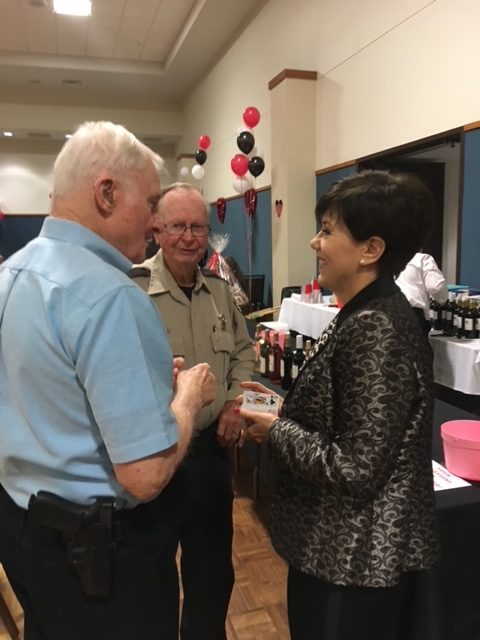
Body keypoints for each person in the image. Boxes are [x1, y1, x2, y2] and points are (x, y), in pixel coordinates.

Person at [0, 122, 217, 640]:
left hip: (24, 529)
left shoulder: (14, 272)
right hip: (98, 561)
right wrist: (187, 398)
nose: (155, 221)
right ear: (106, 193)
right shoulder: (110, 295)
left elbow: (48, 390)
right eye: (151, 203)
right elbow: (145, 474)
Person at [237, 170, 441, 640]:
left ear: (371, 249)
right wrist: (285, 410)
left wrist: (276, 430)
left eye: (327, 231)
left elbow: (355, 467)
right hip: (340, 550)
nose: (315, 242)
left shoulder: (377, 327)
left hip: (355, 558)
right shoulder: (363, 310)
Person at [130, 182, 255, 640]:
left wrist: (235, 403)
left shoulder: (220, 291)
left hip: (209, 457)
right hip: (154, 458)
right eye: (177, 226)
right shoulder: (131, 289)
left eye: (198, 227)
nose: (188, 237)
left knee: (212, 576)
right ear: (156, 230)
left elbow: (243, 352)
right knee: (151, 579)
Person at [396, 251, 448, 334]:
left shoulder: (387, 260)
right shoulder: (422, 259)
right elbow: (436, 287)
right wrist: (442, 300)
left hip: (387, 313)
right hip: (413, 316)